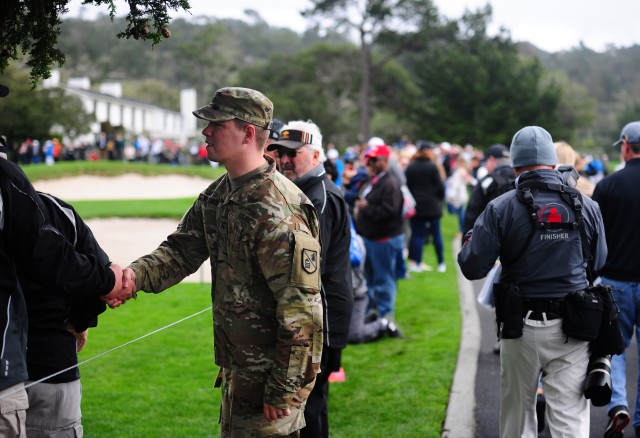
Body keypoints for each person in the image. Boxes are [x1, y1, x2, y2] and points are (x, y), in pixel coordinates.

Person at [121, 87, 323, 437]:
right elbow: (180, 252)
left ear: (247, 132)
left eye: (216, 123)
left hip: (270, 384)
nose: (206, 131)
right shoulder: (218, 195)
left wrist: (284, 388)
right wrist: (129, 277)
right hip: (237, 372)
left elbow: (302, 311)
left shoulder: (279, 209)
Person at [458, 126, 607, 437]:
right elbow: (600, 262)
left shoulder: (500, 207)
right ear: (554, 164)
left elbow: (473, 267)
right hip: (574, 324)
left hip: (519, 326)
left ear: (514, 167)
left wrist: (472, 237)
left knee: (517, 417)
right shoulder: (588, 206)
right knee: (569, 420)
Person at [0, 84, 128, 435]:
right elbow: (75, 268)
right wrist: (89, 312)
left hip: (31, 363)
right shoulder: (54, 210)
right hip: (43, 361)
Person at [268, 120, 353, 438]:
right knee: (311, 402)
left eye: (294, 153)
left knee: (308, 404)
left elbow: (307, 267)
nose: (285, 159)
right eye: (282, 152)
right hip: (315, 313)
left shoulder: (319, 198)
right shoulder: (304, 191)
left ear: (315, 156)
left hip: (323, 317)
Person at [22, 192, 110, 437]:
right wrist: (82, 321)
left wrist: (82, 320)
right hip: (50, 361)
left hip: (47, 365)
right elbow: (98, 277)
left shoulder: (55, 209)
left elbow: (97, 275)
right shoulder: (53, 208)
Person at [592, 121, 640, 438]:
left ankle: (618, 405)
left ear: (625, 146)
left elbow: (596, 239)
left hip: (615, 281)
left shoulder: (607, 186)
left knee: (616, 349)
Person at [355, 143, 404, 337]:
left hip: (383, 239)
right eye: (369, 159)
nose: (371, 163)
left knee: (384, 279)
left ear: (384, 161)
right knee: (373, 279)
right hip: (373, 238)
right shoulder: (376, 180)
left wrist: (367, 208)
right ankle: (376, 313)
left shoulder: (389, 183)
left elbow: (391, 212)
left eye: (374, 160)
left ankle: (387, 316)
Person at [404, 140, 446, 273]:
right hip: (433, 206)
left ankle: (417, 263)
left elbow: (407, 187)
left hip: (417, 207)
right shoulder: (433, 167)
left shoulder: (411, 167)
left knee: (417, 235)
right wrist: (439, 199)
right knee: (436, 235)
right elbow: (440, 187)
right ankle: (440, 263)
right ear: (427, 151)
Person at [462, 143, 515, 237]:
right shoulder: (519, 178)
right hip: (514, 237)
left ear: (492, 160)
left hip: (488, 237)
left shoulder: (487, 181)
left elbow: (472, 213)